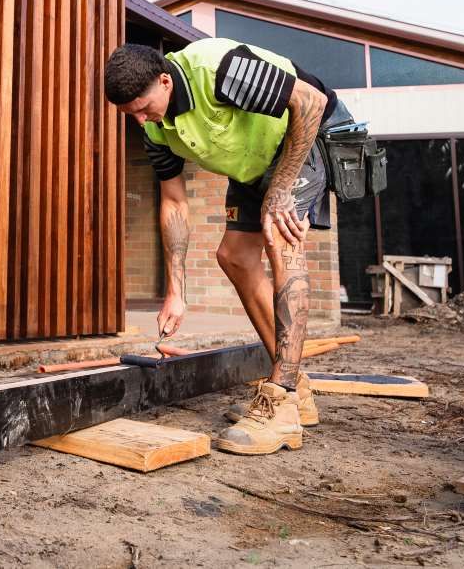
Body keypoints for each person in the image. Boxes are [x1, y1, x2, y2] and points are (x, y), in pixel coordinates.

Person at [104, 39, 354, 455]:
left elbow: (309, 102)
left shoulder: (220, 70)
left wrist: (280, 193)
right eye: (130, 114)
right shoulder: (153, 127)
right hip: (255, 164)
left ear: (165, 81)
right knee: (234, 257)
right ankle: (299, 391)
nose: (140, 119)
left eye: (144, 107)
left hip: (306, 136)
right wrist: (176, 292)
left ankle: (282, 400)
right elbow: (173, 202)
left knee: (279, 234)